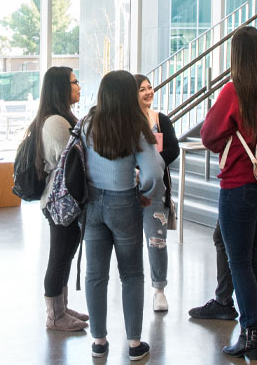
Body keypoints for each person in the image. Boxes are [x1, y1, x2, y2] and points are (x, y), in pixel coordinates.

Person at [201, 26, 257, 360]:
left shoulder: (235, 90)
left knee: (240, 262)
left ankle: (250, 332)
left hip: (240, 183)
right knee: (256, 258)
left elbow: (209, 135)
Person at [82, 70, 164, 361]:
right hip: (123, 203)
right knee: (130, 273)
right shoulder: (136, 126)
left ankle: (99, 341)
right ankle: (133, 344)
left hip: (91, 203)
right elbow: (154, 171)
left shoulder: (88, 123)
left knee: (95, 273)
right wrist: (145, 191)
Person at [28, 66, 89, 332]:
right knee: (59, 256)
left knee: (65, 253)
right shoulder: (56, 122)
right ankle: (54, 316)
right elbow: (70, 163)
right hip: (59, 201)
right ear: (61, 88)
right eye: (75, 82)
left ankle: (61, 307)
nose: (78, 87)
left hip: (62, 200)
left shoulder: (61, 118)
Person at [134, 74, 179, 312]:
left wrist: (151, 164)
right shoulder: (125, 122)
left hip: (156, 190)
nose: (148, 92)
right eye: (142, 89)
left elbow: (173, 149)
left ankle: (159, 289)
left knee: (157, 240)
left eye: (150, 88)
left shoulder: (160, 119)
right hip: (129, 189)